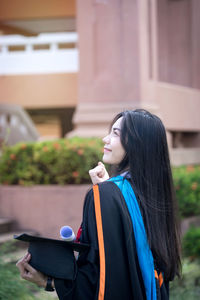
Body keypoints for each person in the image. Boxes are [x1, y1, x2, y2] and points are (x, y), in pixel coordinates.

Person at [16, 109, 181, 300]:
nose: (105, 139)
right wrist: (109, 192)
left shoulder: (105, 195)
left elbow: (102, 279)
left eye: (116, 133)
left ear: (138, 144)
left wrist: (49, 282)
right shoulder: (155, 194)